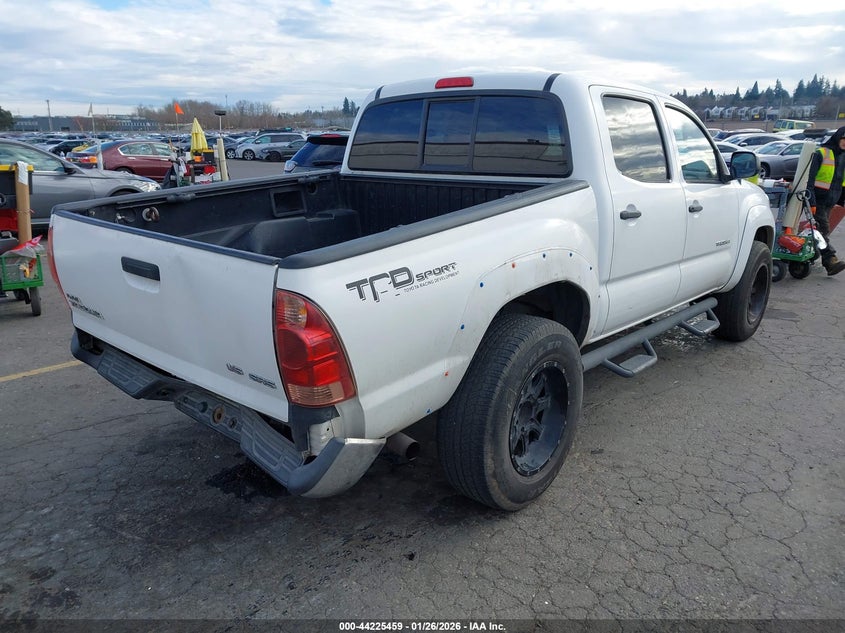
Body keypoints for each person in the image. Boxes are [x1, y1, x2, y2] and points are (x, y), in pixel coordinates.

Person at [807, 125, 845, 276]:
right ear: (837, 138)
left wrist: (841, 201)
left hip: (831, 200)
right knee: (822, 229)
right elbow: (809, 180)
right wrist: (812, 201)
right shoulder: (822, 153)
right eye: (844, 139)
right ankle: (830, 260)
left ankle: (811, 254)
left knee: (819, 230)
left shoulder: (843, 156)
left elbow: (842, 180)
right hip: (818, 199)